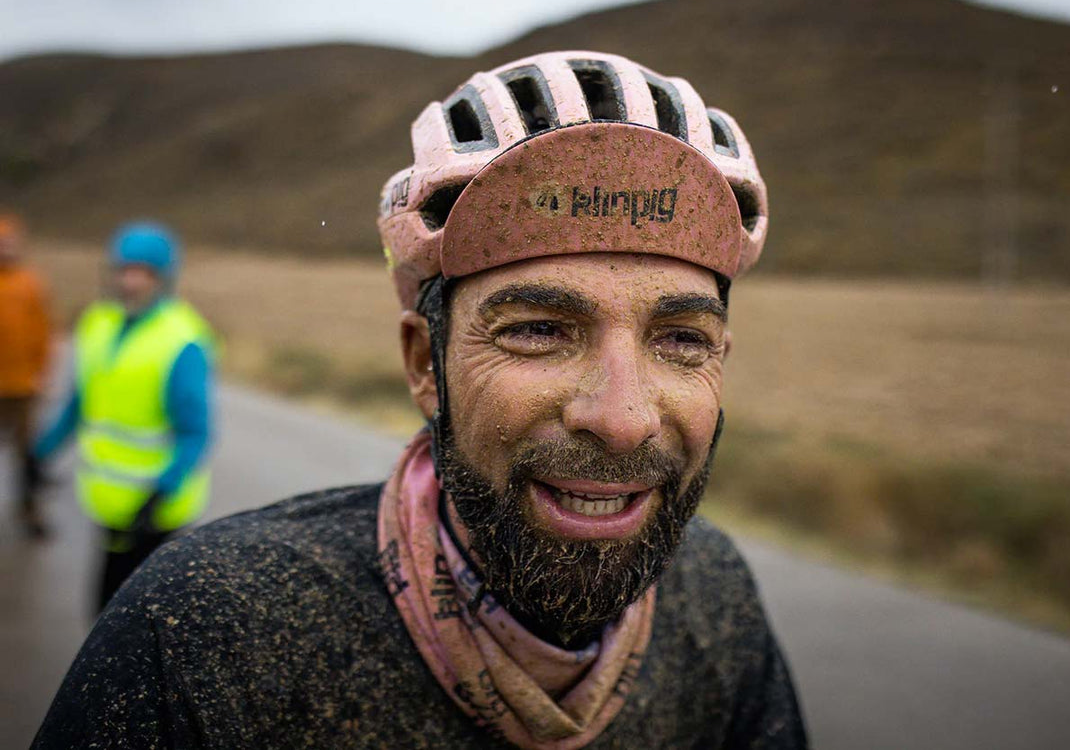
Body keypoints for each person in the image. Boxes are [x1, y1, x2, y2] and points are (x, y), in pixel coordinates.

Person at [34, 52, 807, 748]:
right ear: (422, 365)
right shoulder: (210, 632)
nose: (623, 417)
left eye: (681, 341)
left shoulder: (718, 602)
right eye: (539, 329)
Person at [33, 221, 216, 614]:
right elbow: (83, 401)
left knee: (143, 629)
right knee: (102, 617)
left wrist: (158, 495)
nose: (131, 282)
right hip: (108, 509)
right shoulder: (98, 322)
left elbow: (196, 434)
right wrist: (42, 451)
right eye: (124, 269)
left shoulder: (182, 341)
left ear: (164, 278)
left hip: (155, 520)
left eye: (144, 272)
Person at [0, 212, 52, 538]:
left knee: (27, 454)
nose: (5, 249)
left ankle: (30, 511)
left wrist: (42, 372)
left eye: (9, 243)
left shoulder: (31, 283)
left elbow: (43, 332)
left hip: (23, 386)